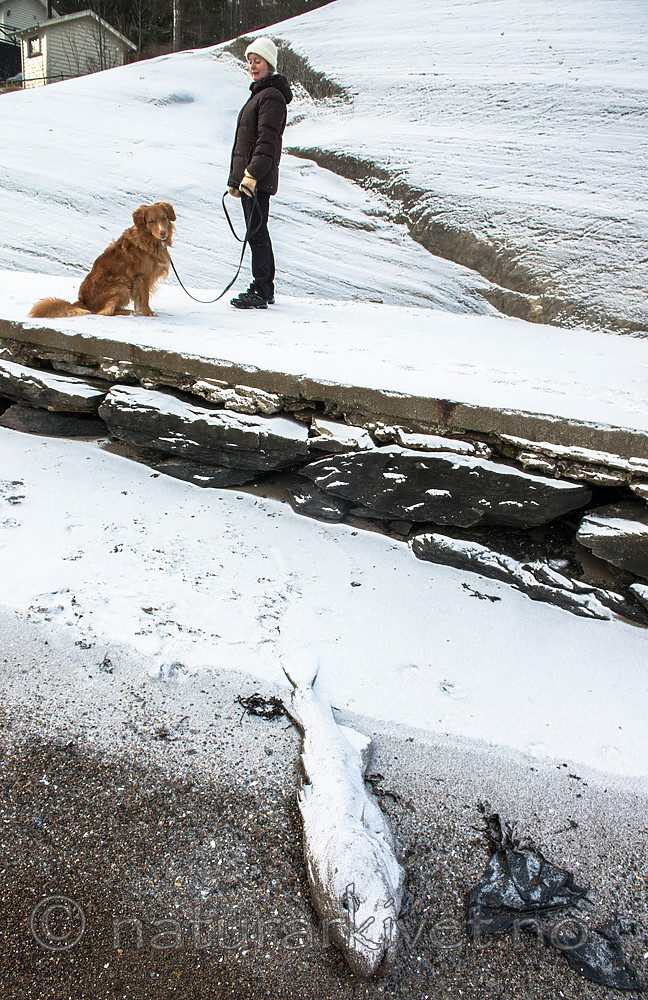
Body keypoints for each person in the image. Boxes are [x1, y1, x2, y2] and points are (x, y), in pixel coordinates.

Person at [227, 38, 293, 309]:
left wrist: (252, 175)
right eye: (250, 61)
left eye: (258, 61)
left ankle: (262, 289)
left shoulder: (271, 97)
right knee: (256, 230)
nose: (253, 66)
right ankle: (263, 286)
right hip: (250, 179)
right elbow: (246, 143)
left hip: (257, 179)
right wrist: (236, 180)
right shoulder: (260, 94)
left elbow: (267, 142)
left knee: (256, 232)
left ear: (270, 64)